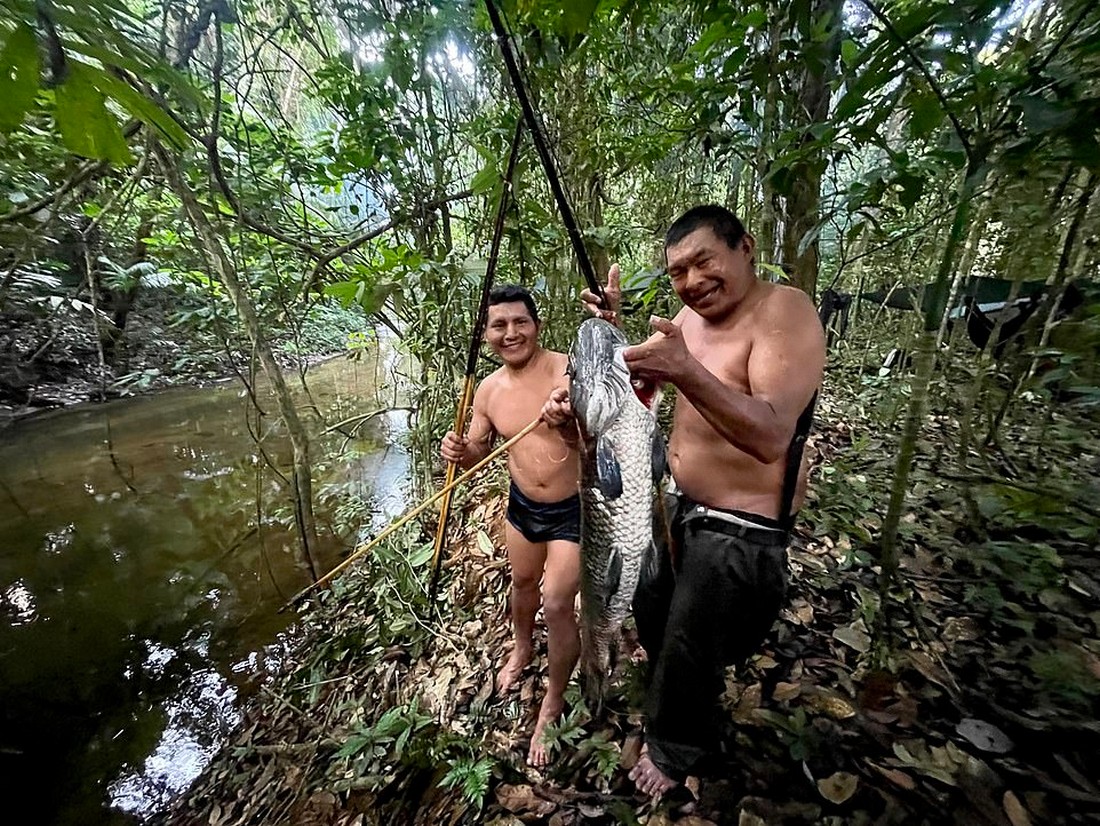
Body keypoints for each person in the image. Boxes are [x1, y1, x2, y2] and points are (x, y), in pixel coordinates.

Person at [543, 205, 826, 796]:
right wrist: (613, 338)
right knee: (652, 606)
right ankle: (675, 679)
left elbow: (772, 434)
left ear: (745, 247)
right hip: (674, 504)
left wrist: (685, 370)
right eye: (678, 272)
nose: (693, 281)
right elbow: (644, 382)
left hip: (739, 522)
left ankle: (676, 749)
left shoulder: (783, 311)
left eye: (704, 262)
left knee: (691, 639)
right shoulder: (689, 318)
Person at [440, 284, 582, 768]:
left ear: (537, 325)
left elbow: (599, 432)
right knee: (523, 583)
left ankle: (554, 699)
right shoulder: (488, 390)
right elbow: (480, 452)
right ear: (486, 335)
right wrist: (461, 453)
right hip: (523, 505)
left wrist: (566, 420)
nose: (510, 332)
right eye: (498, 325)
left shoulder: (567, 369)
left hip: (575, 507)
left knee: (557, 601)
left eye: (520, 321)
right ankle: (522, 648)